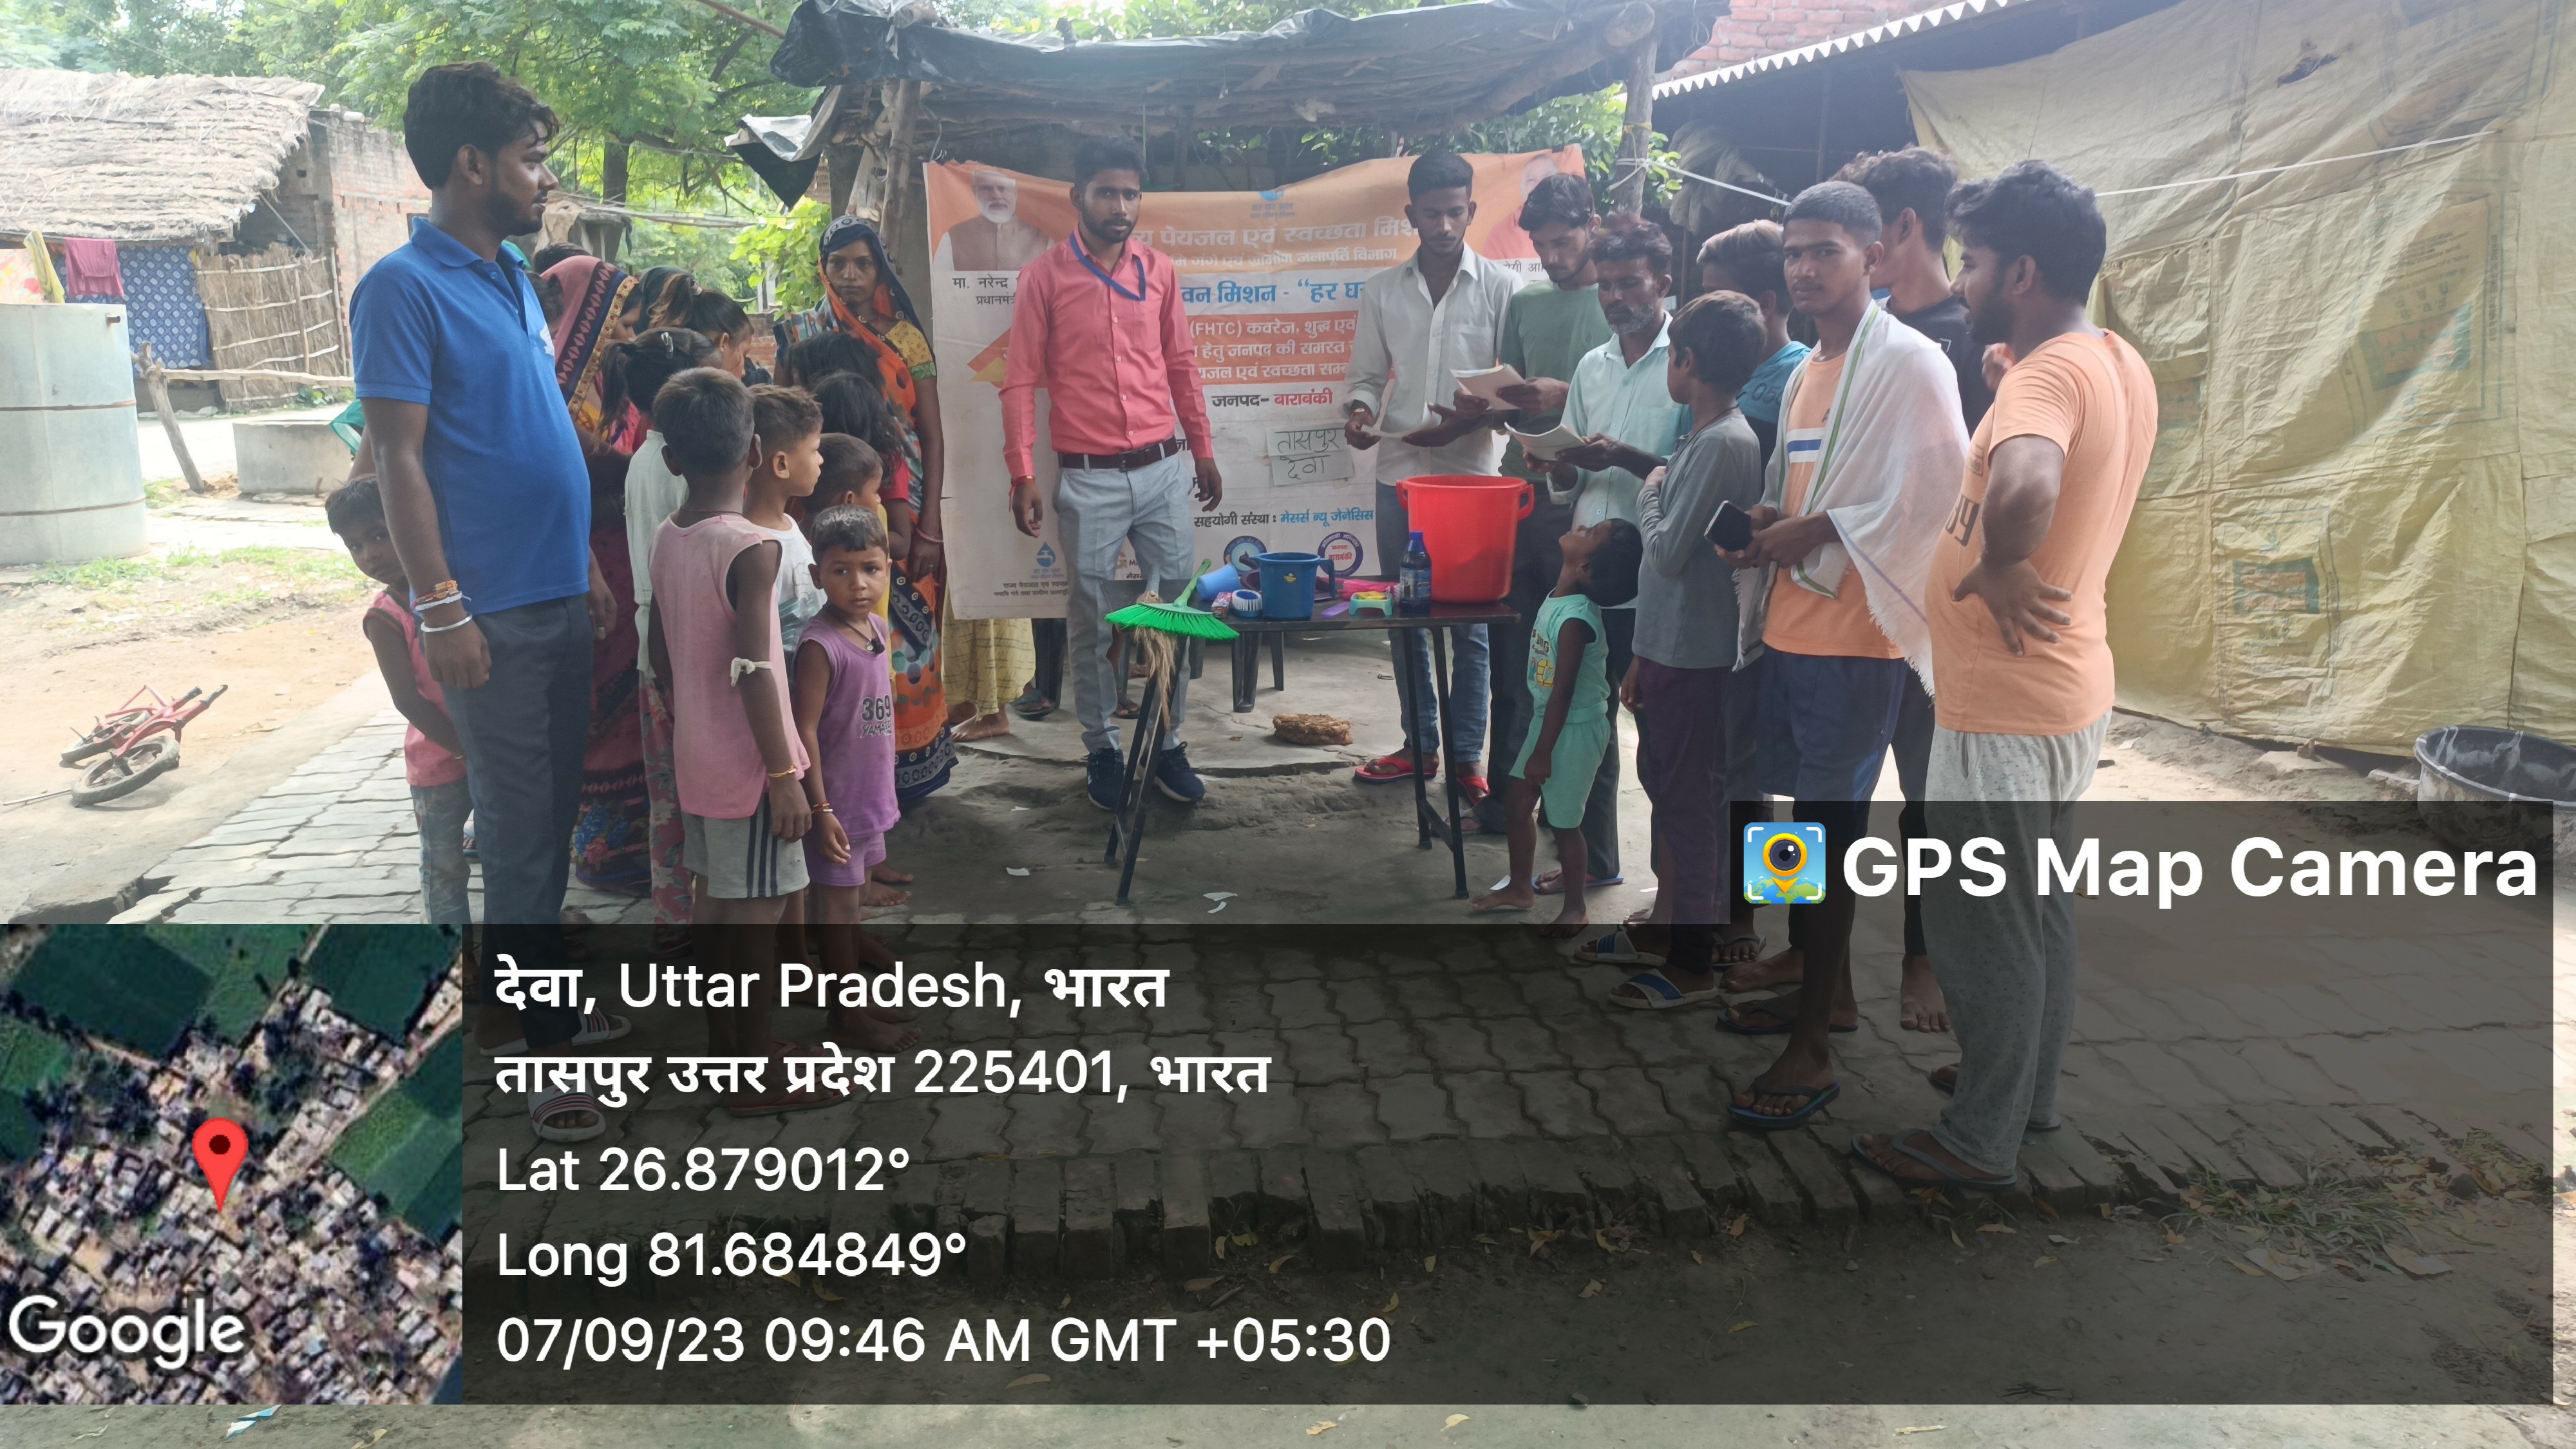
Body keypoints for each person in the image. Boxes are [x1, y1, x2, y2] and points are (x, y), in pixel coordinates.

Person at [1852, 161, 2154, 1193]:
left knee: (1982, 923)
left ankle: (1979, 1136)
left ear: (2022, 272)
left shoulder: (2043, 381)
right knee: (2038, 909)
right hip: (2067, 689)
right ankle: (2026, 1092)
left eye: (1974, 262)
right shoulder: (2110, 358)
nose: (1961, 280)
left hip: (2004, 703)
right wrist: (2012, 379)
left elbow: (2026, 485)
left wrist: (2000, 562)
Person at [353, 64, 614, 1004]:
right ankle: (542, 1037)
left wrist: (585, 562)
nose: (547, 178)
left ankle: (526, 1002)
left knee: (553, 810)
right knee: (515, 826)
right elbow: (396, 458)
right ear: (472, 164)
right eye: (531, 159)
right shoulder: (401, 289)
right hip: (487, 613)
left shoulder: (514, 278)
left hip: (559, 592)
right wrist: (439, 605)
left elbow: (534, 427)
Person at [1712, 180, 1965, 1130]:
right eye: (1793, 252)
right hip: (1789, 625)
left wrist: (1814, 528)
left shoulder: (1911, 361)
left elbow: (1938, 494)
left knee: (1828, 832)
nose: (1805, 268)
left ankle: (1813, 1045)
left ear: (1874, 255)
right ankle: (1826, 988)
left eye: (1826, 250)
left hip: (1861, 639)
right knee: (1788, 828)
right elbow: (1811, 482)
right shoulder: (1810, 369)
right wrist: (1770, 522)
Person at [1001, 136, 1222, 811]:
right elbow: (1019, 380)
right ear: (1078, 197)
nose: (1120, 206)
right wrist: (1020, 471)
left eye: (1131, 194)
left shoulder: (1159, 271)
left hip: (1163, 469)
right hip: (1089, 477)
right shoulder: (1044, 278)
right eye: (1107, 193)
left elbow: (1181, 363)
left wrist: (1202, 447)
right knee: (1095, 620)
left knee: (1175, 611)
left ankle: (1168, 742)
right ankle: (1101, 747)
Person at [644, 366, 840, 1117]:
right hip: (752, 768)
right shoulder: (752, 548)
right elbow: (757, 668)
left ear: (671, 459)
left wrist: (692, 719)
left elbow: (661, 649)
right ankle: (755, 1078)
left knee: (719, 910)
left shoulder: (670, 536)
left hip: (698, 758)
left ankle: (733, 1053)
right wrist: (784, 774)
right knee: (756, 921)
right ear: (757, 453)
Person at [1837, 144, 1998, 1033]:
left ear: (1901, 227)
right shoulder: (1849, 335)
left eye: (1853, 235)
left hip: (1935, 615)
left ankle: (1922, 955)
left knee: (1930, 804)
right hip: (1841, 607)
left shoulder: (1975, 340)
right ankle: (1803, 947)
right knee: (1813, 798)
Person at [1601, 293, 1768, 1007]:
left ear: (1686, 361)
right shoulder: (1704, 437)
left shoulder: (1723, 442)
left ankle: (1694, 961)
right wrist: (1643, 652)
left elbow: (1667, 553)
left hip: (1697, 656)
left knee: (1690, 805)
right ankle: (1668, 927)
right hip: (1670, 646)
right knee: (1669, 792)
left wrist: (1648, 491)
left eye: (1670, 355)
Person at [1341, 151, 1520, 793]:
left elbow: (1514, 394)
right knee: (1404, 615)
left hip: (1471, 479)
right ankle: (1419, 747)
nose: (1443, 225)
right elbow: (1366, 376)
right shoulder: (1382, 291)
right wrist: (1360, 412)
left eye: (1454, 212)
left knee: (1470, 625)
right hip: (1399, 473)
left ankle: (1467, 758)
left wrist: (1468, 424)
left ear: (1471, 210)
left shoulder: (1504, 289)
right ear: (1410, 214)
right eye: (1431, 213)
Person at [1525, 220, 1690, 902]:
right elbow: (1576, 483)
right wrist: (1560, 466)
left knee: (1660, 742)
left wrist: (1621, 455)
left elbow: (1698, 472)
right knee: (1583, 728)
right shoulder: (1592, 366)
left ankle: (1679, 892)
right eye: (1606, 286)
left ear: (1663, 283)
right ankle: (1595, 862)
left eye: (1630, 284)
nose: (1615, 298)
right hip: (1591, 574)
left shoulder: (1688, 361)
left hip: (1657, 578)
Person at [1457, 173, 1612, 837]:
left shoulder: (1620, 300)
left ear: (1592, 227)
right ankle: (1505, 803)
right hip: (1519, 494)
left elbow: (1641, 396)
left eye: (1563, 242)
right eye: (1542, 245)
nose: (1551, 257)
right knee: (1513, 662)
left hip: (1586, 505)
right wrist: (1492, 404)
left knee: (1577, 668)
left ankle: (1573, 820)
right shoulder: (1527, 303)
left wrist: (1565, 393)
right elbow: (1513, 403)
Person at [1467, 518, 1643, 937]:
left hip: (1574, 731)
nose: (1580, 527)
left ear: (1585, 568)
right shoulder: (1558, 597)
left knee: (1565, 824)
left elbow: (1564, 692)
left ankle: (1576, 909)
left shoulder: (1576, 619)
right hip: (1549, 722)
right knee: (1516, 803)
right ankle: (1519, 888)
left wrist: (1542, 753)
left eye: (1590, 533)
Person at [791, 504, 919, 1052]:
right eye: (841, 571)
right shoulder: (820, 646)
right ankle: (846, 1018)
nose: (858, 583)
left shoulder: (875, 628)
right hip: (837, 808)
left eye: (870, 569)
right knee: (837, 914)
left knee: (852, 909)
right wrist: (820, 811)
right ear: (817, 574)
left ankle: (854, 1003)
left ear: (888, 568)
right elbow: (804, 730)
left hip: (870, 801)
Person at [773, 216, 948, 603]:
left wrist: (930, 529)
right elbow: (782, 428)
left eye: (863, 264)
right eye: (838, 263)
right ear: (824, 267)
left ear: (879, 270)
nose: (850, 275)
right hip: (818, 489)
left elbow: (931, 435)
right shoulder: (798, 334)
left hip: (900, 490)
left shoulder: (907, 340)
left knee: (901, 610)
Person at [620, 327, 726, 931]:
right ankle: (700, 921)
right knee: (698, 793)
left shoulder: (646, 458)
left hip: (654, 647)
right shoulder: (689, 472)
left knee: (668, 792)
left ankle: (674, 917)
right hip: (680, 650)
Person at [332, 477, 470, 925]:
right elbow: (407, 699)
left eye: (379, 535)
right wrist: (464, 749)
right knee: (444, 866)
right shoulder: (386, 616)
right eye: (355, 546)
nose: (370, 555)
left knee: (517, 848)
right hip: (439, 762)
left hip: (489, 746)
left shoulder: (457, 587)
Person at [1696, 222, 1808, 467]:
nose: (1703, 307)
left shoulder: (1803, 377)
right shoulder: (1705, 369)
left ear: (1764, 304)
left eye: (1717, 296)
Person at [747, 384, 827, 656]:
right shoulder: (756, 547)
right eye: (814, 450)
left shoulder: (789, 524)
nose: (821, 460)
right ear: (781, 464)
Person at [542, 254, 640, 441]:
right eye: (627, 325)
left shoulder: (604, 378)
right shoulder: (548, 390)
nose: (633, 338)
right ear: (594, 320)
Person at [935, 168, 1056, 274]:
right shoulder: (953, 237)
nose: (996, 196)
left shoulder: (1042, 239)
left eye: (1003, 188)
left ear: (1015, 194)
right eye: (987, 188)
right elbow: (940, 286)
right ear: (975, 192)